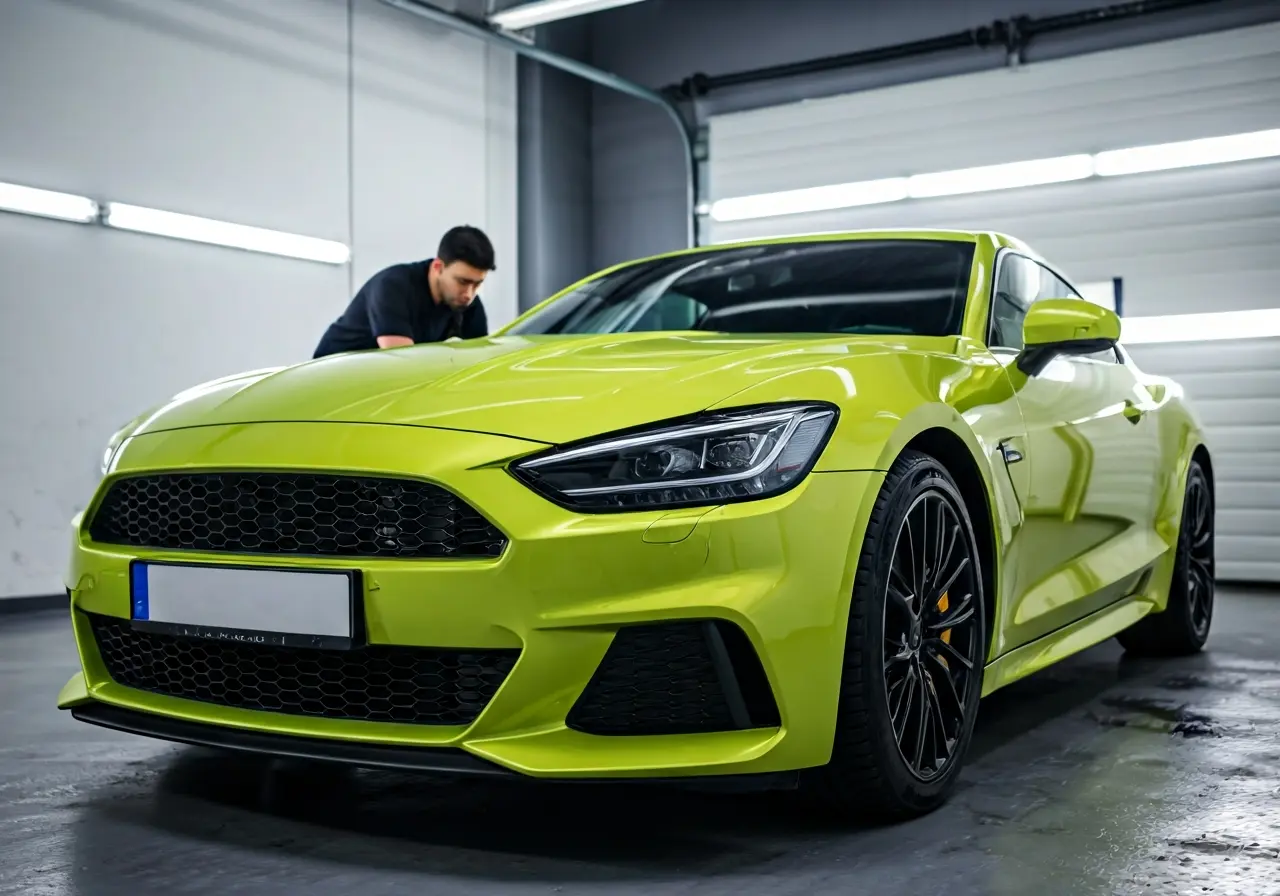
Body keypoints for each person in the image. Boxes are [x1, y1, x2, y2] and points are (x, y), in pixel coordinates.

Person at [312, 225, 495, 358]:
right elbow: (403, 364)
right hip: (330, 376)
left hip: (375, 383)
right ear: (438, 267)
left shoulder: (466, 304)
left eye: (477, 284)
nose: (469, 293)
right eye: (462, 281)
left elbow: (479, 362)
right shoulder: (393, 287)